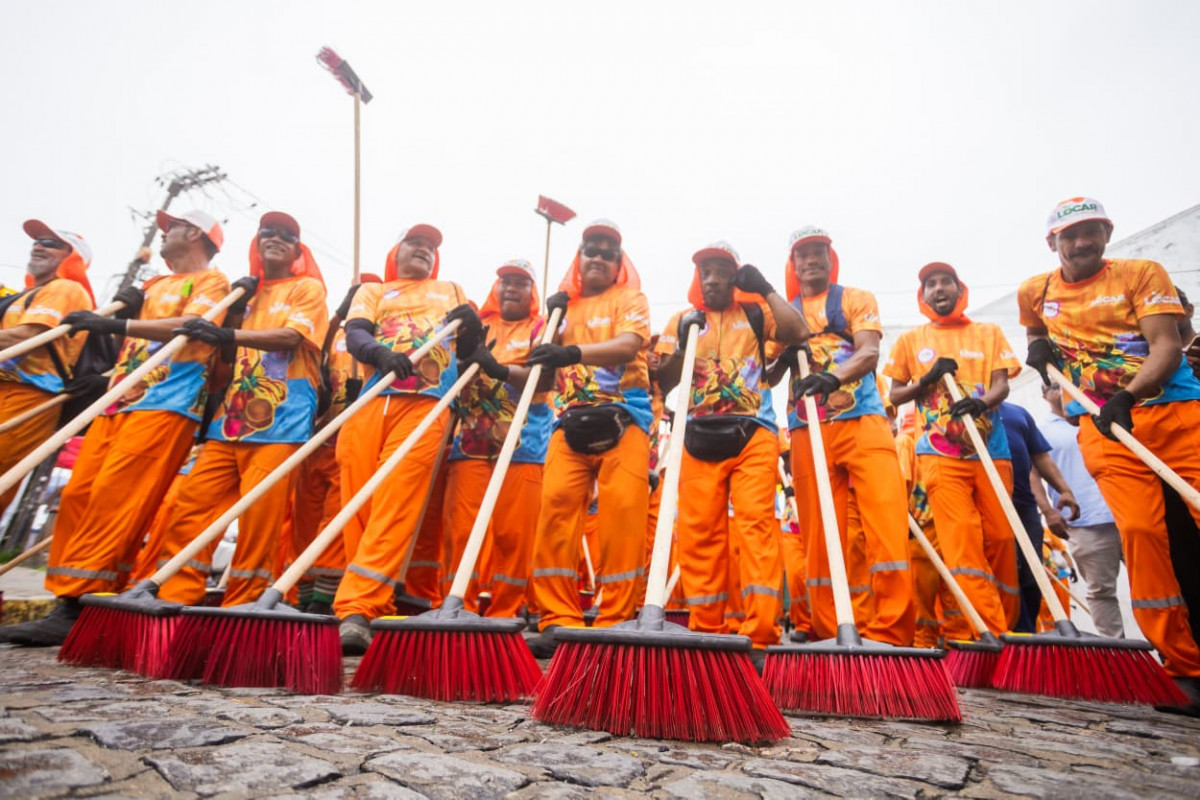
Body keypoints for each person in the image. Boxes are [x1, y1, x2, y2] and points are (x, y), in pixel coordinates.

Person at [1, 210, 236, 646]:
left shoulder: (212, 282)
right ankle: (69, 596)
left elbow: (191, 330)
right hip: (118, 401)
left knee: (116, 497)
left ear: (196, 234)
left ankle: (80, 602)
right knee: (79, 495)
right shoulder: (152, 286)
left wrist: (116, 322)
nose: (164, 231)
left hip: (166, 403)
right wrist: (121, 319)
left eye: (173, 225)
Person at [1021, 197, 1200, 710]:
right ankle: (1184, 666)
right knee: (1142, 534)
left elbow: (1166, 344)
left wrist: (1128, 395)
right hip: (1101, 429)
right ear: (1052, 242)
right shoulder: (1036, 291)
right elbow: (1038, 332)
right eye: (1071, 235)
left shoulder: (1141, 272)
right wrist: (1040, 351)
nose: (1082, 243)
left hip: (1174, 413)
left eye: (1092, 231)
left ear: (1107, 232)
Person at [152, 212, 329, 607]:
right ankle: (174, 597)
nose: (276, 238)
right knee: (190, 511)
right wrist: (232, 314)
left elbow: (290, 337)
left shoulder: (308, 289)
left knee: (259, 524)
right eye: (268, 231)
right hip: (227, 424)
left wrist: (227, 330)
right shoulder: (242, 297)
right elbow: (224, 357)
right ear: (256, 241)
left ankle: (243, 608)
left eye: (287, 235)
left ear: (298, 250)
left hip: (282, 423)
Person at [654, 241, 808, 662]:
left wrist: (768, 289)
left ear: (734, 275)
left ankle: (761, 636)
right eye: (705, 269)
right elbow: (664, 381)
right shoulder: (681, 320)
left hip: (752, 435)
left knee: (756, 528)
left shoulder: (756, 313)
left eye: (721, 269)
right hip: (697, 434)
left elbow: (798, 333)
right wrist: (685, 340)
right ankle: (707, 629)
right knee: (698, 533)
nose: (712, 277)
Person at [334, 224, 483, 654]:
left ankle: (358, 607)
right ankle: (376, 595)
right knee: (358, 503)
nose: (424, 250)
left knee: (396, 497)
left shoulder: (450, 288)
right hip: (373, 399)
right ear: (396, 251)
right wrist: (379, 354)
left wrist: (472, 329)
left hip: (428, 402)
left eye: (431, 246)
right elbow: (356, 333)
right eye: (415, 243)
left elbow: (469, 350)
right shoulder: (375, 292)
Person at [771, 226, 914, 646]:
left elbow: (869, 352)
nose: (811, 260)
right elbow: (765, 369)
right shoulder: (782, 312)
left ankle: (891, 634)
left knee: (886, 523)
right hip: (804, 428)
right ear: (793, 264)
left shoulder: (854, 299)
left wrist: (830, 378)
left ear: (831, 259)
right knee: (818, 536)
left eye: (818, 252)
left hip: (863, 420)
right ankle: (831, 631)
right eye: (803, 254)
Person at [525, 220, 652, 656]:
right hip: (569, 422)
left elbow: (628, 345)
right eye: (590, 249)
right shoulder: (562, 310)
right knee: (555, 511)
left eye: (607, 251)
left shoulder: (629, 299)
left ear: (619, 263)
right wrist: (548, 327)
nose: (597, 257)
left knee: (622, 516)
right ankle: (557, 618)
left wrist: (572, 352)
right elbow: (539, 369)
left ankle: (617, 618)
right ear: (578, 259)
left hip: (625, 419)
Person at [886, 261, 1021, 635]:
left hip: (992, 451)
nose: (939, 289)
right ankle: (986, 631)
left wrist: (982, 403)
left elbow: (1001, 384)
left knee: (1002, 540)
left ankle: (1006, 626)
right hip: (938, 455)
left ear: (960, 290)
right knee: (961, 542)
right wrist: (926, 381)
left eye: (946, 282)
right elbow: (895, 394)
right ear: (922, 294)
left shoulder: (988, 333)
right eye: (931, 284)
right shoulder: (910, 341)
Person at [441, 258, 550, 617]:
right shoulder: (479, 325)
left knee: (513, 536)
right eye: (505, 281)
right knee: (461, 531)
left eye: (520, 282)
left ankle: (506, 610)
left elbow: (546, 380)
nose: (511, 288)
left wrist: (500, 370)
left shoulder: (542, 328)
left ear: (531, 292)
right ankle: (459, 606)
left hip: (523, 445)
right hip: (471, 443)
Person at [0, 221, 110, 512]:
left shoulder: (66, 288)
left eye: (50, 243)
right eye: (37, 241)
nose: (38, 246)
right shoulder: (24, 295)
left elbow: (30, 337)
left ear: (71, 256)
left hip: (27, 396)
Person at [1036, 382, 1126, 637]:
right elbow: (1033, 474)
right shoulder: (1042, 431)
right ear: (1045, 395)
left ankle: (1171, 651)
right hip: (1084, 522)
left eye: (1062, 384)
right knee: (1101, 592)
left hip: (1127, 510)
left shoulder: (1101, 414)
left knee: (1158, 584)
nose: (1059, 389)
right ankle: (1117, 656)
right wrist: (1048, 511)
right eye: (1052, 386)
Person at [998, 401, 1080, 633]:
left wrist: (1064, 489)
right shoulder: (969, 414)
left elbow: (1040, 457)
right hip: (992, 509)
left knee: (1032, 579)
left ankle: (1028, 637)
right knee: (1007, 578)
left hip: (1025, 508)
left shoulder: (1019, 413)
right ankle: (1016, 639)